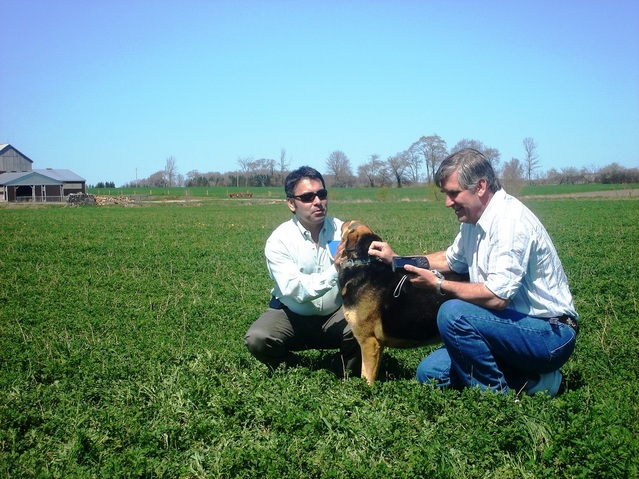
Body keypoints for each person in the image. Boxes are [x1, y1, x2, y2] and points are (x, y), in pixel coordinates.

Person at [368, 148, 578, 397]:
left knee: (454, 313)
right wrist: (398, 260)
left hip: (548, 334)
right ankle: (532, 380)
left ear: (480, 186)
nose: (448, 202)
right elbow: (450, 259)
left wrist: (438, 285)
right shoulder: (473, 221)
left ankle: (494, 402)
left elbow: (497, 297)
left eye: (453, 193)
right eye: (446, 194)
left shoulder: (509, 222)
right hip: (506, 329)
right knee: (430, 372)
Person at [244, 166, 361, 378]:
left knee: (366, 324)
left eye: (322, 194)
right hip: (292, 315)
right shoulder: (279, 240)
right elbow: (294, 289)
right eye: (307, 197)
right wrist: (335, 270)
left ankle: (344, 368)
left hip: (336, 313)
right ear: (291, 203)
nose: (317, 202)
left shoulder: (343, 231)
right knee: (258, 337)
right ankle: (292, 365)